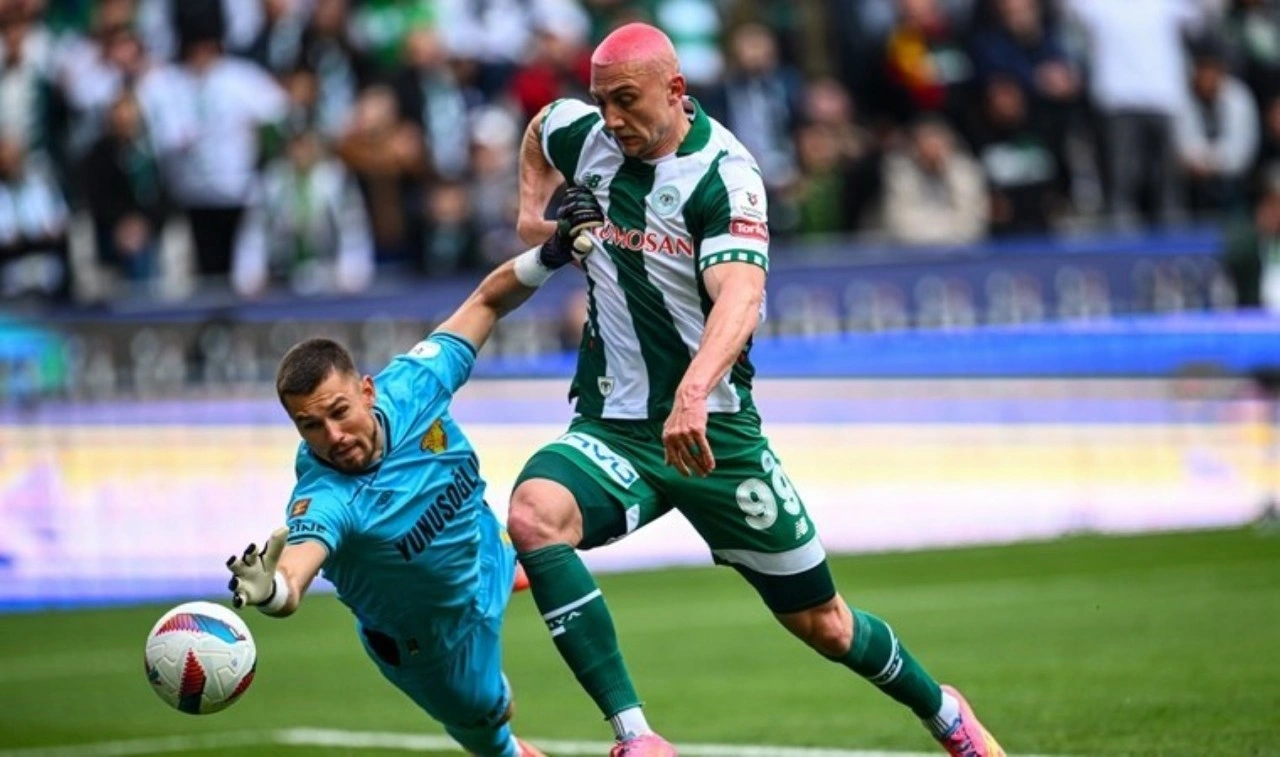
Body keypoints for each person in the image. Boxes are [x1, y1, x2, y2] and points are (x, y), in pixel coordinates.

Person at [511, 22, 1005, 757]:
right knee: (534, 514)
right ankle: (637, 737)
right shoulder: (585, 136)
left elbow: (740, 298)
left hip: (716, 433)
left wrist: (692, 394)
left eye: (626, 100)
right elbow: (541, 128)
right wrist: (534, 218)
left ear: (675, 90)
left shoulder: (726, 176)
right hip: (614, 426)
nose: (610, 118)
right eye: (600, 100)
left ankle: (945, 713)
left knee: (826, 625)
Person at [222, 192, 604, 757]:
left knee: (539, 515)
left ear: (368, 391)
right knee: (494, 727)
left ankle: (508, 569)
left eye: (339, 412)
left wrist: (548, 254)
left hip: (487, 552)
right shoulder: (326, 498)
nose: (333, 436)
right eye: (310, 426)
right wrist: (275, 591)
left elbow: (486, 301)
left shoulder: (413, 385)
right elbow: (297, 570)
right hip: (433, 643)